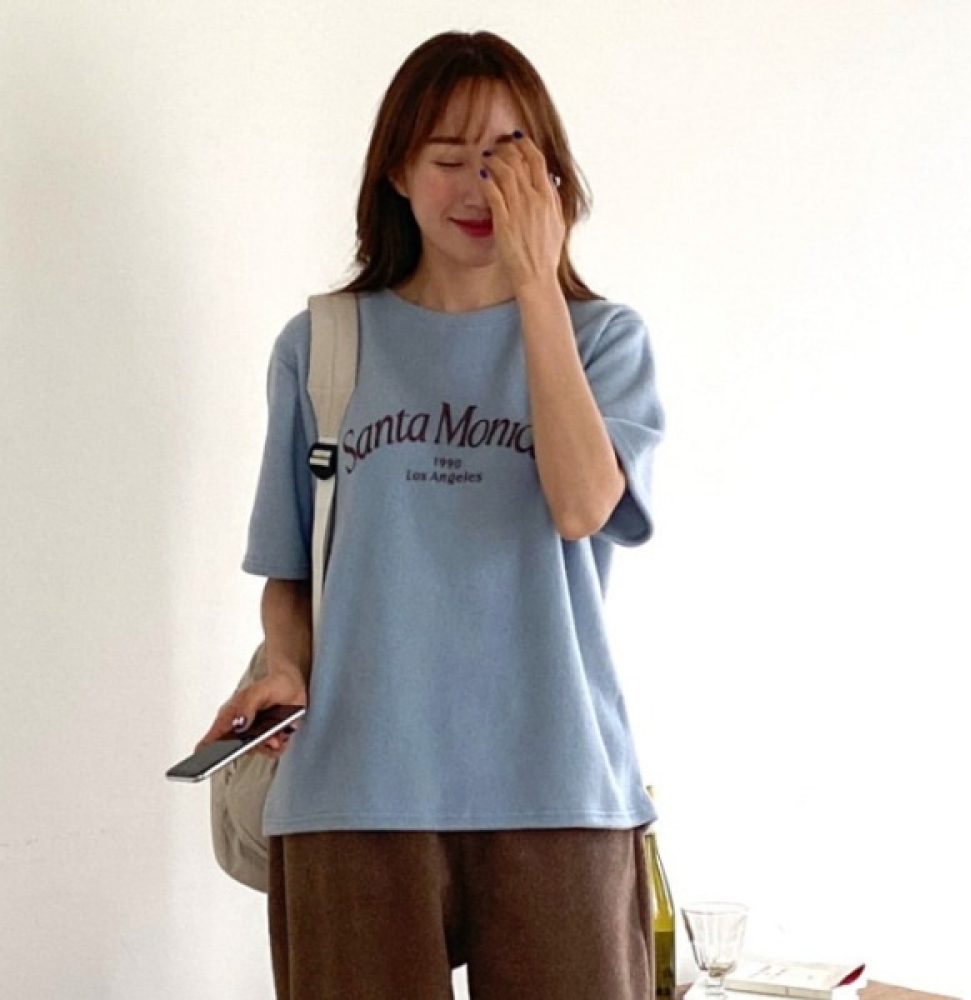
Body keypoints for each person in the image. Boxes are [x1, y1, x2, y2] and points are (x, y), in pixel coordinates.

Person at [199, 29, 665, 1000]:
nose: (476, 185)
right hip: (352, 788)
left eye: (506, 156)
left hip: (557, 786)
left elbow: (582, 504)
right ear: (397, 174)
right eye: (447, 157)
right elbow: (292, 569)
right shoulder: (321, 344)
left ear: (549, 174)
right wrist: (283, 664)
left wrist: (536, 285)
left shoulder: (603, 341)